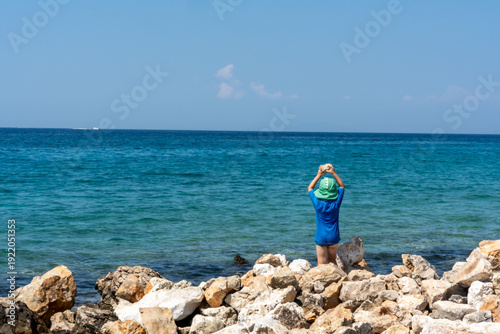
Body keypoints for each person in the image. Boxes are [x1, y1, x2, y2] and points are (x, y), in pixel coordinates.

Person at [307, 164, 345, 265]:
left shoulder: (317, 203)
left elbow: (310, 188)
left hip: (321, 236)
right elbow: (341, 186)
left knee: (321, 263)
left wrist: (319, 175)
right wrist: (333, 173)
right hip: (334, 236)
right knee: (332, 260)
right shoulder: (336, 202)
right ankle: (337, 278)